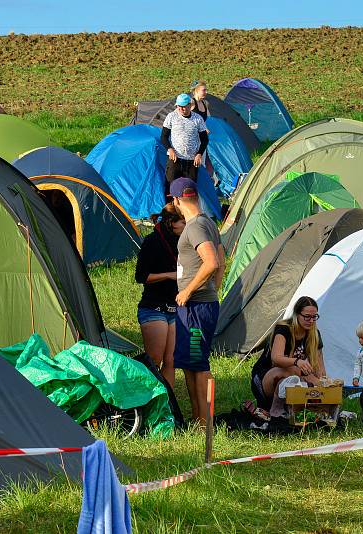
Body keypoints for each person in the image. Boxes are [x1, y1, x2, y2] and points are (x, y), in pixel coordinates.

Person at [170, 177, 225, 426]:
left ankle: (206, 421)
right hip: (199, 304)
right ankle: (198, 417)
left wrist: (189, 291)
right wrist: (214, 288)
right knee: (190, 363)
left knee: (199, 363)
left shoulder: (194, 227)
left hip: (196, 306)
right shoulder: (208, 222)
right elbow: (222, 263)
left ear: (177, 200)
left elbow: (212, 262)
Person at [134, 203, 186, 387]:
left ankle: (168, 405)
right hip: (154, 308)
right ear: (172, 223)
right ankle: (147, 401)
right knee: (155, 361)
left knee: (171, 362)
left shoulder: (183, 243)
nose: (186, 226)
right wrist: (169, 275)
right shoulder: (152, 242)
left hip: (174, 308)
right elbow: (141, 276)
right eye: (183, 222)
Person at [250, 296, 326, 410]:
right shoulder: (284, 329)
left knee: (303, 379)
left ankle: (286, 410)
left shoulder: (314, 334)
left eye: (314, 317)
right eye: (307, 317)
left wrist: (324, 384)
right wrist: (297, 362)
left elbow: (320, 368)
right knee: (294, 372)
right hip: (267, 377)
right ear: (297, 314)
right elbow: (276, 358)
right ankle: (278, 409)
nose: (311, 321)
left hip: (293, 379)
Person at [161, 93, 209, 198]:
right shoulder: (171, 117)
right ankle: (170, 212)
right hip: (175, 159)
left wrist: (199, 154)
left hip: (192, 161)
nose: (181, 109)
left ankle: (187, 212)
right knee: (170, 189)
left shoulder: (198, 119)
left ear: (189, 105)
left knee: (189, 191)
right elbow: (164, 137)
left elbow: (205, 139)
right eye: (179, 106)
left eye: (184, 106)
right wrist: (170, 150)